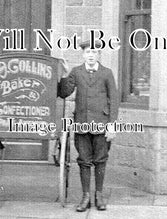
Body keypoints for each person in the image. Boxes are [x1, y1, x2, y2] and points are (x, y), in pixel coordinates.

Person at [58, 40, 119, 212]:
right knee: (84, 161)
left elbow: (113, 99)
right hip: (82, 123)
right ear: (83, 54)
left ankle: (98, 195)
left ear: (99, 54)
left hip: (101, 123)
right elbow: (64, 92)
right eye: (88, 52)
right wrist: (64, 74)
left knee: (100, 160)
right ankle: (85, 197)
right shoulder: (76, 72)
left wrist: (112, 125)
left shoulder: (107, 73)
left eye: (94, 52)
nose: (91, 55)